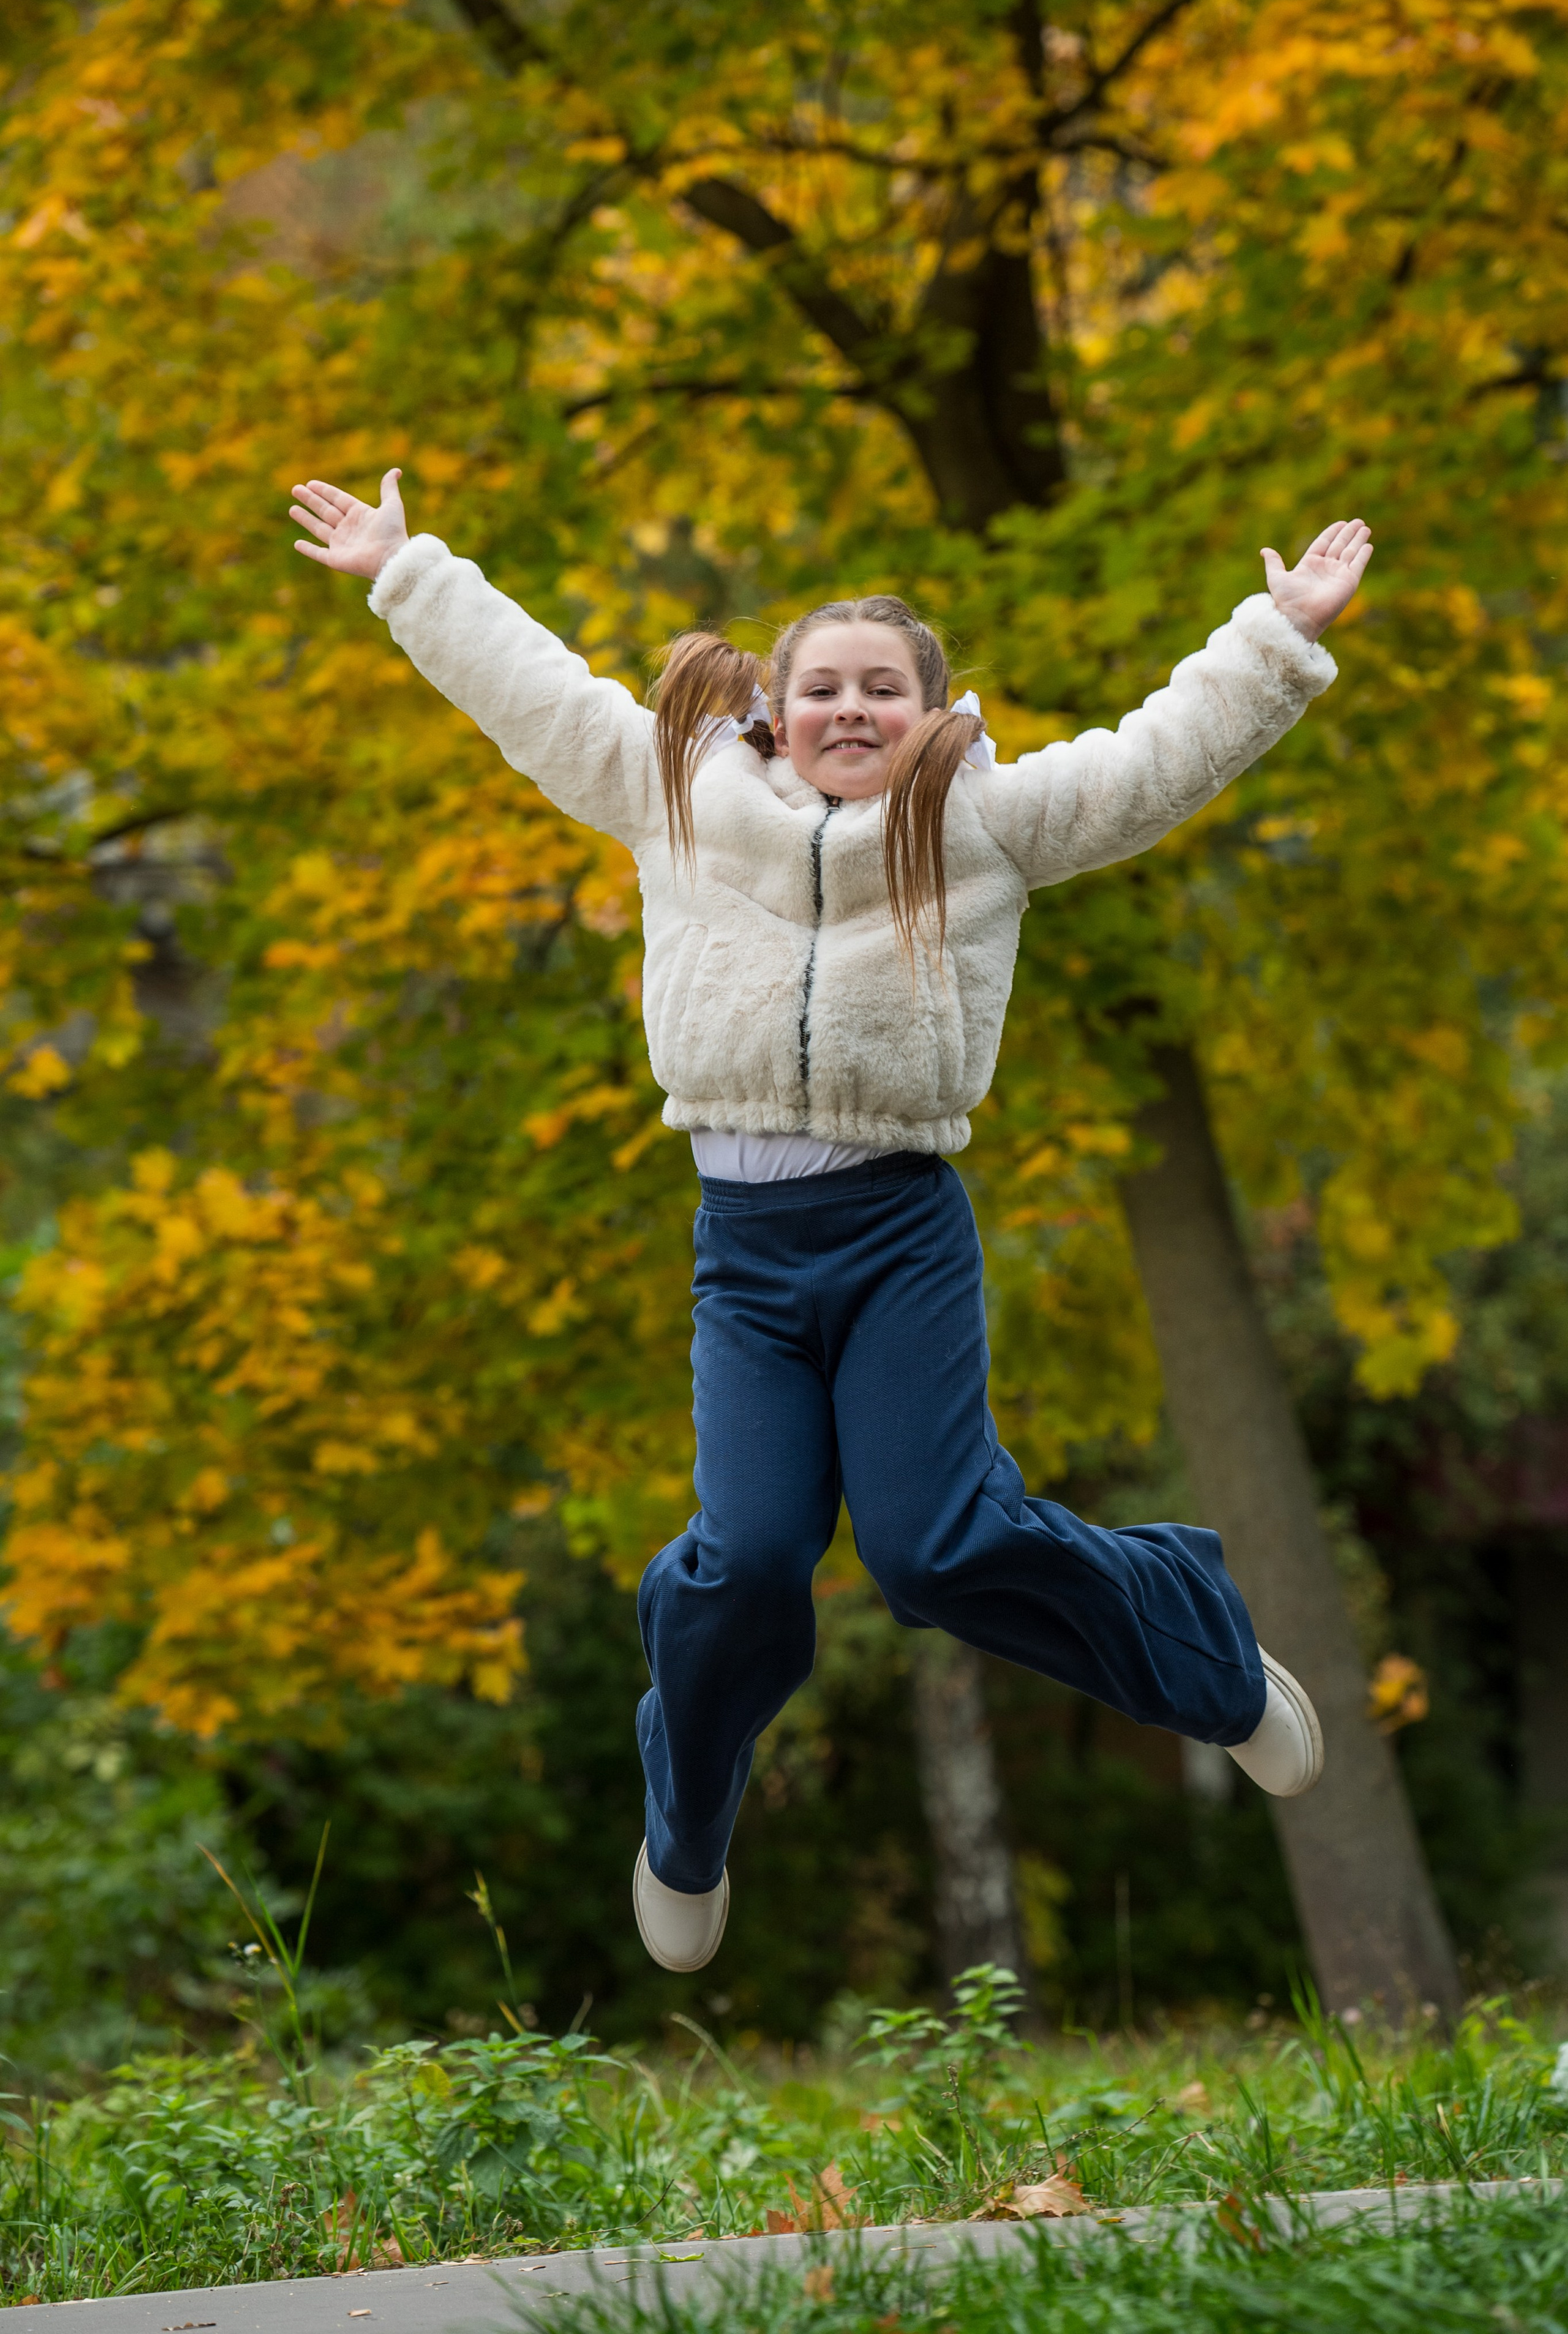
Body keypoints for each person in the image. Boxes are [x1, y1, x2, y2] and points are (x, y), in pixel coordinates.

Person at [290, 467, 1372, 1974]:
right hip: (743, 1252)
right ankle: (686, 1817)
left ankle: (1193, 1640)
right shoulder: (678, 795)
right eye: (820, 686)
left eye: (882, 688)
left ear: (935, 715)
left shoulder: (980, 821)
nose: (848, 708)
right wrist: (408, 572)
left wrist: (1276, 635)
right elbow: (535, 692)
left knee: (935, 1553)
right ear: (771, 708)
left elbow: (1149, 765)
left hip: (896, 1233)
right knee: (740, 1555)